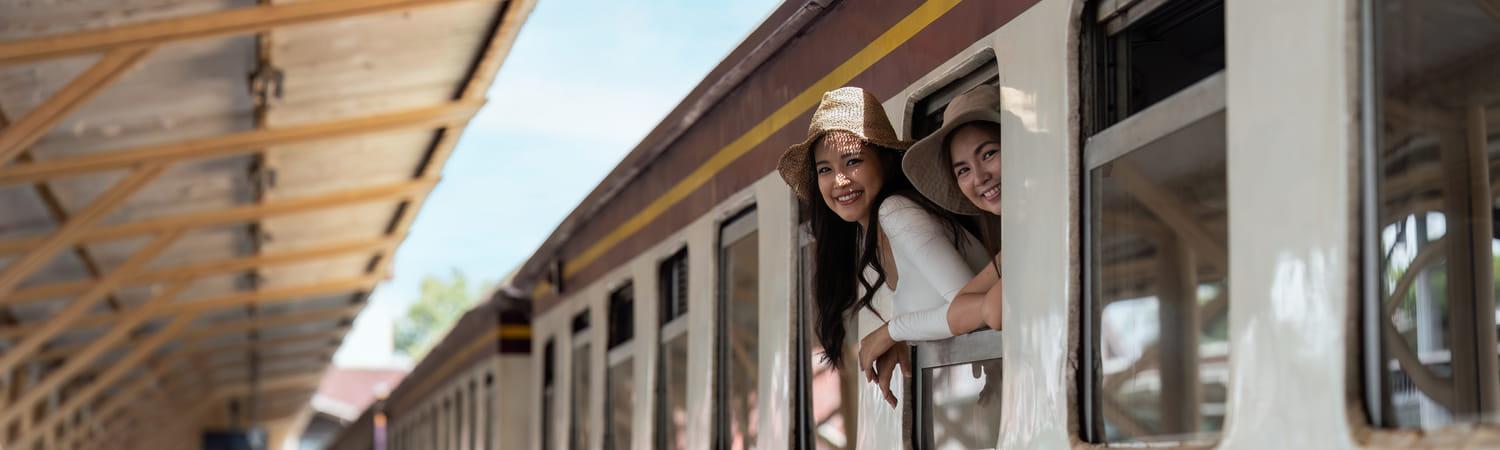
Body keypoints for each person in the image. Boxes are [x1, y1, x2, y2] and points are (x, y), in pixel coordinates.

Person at [775, 86, 992, 406]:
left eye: (853, 162)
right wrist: (905, 338)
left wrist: (894, 331)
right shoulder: (873, 236)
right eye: (825, 170)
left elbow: (976, 309)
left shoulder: (896, 212)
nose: (839, 181)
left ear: (887, 161)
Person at [901, 85, 1007, 335]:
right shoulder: (1016, 240)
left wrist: (984, 307)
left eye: (989, 153)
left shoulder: (1040, 224)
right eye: (964, 170)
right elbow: (956, 311)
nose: (980, 177)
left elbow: (995, 312)